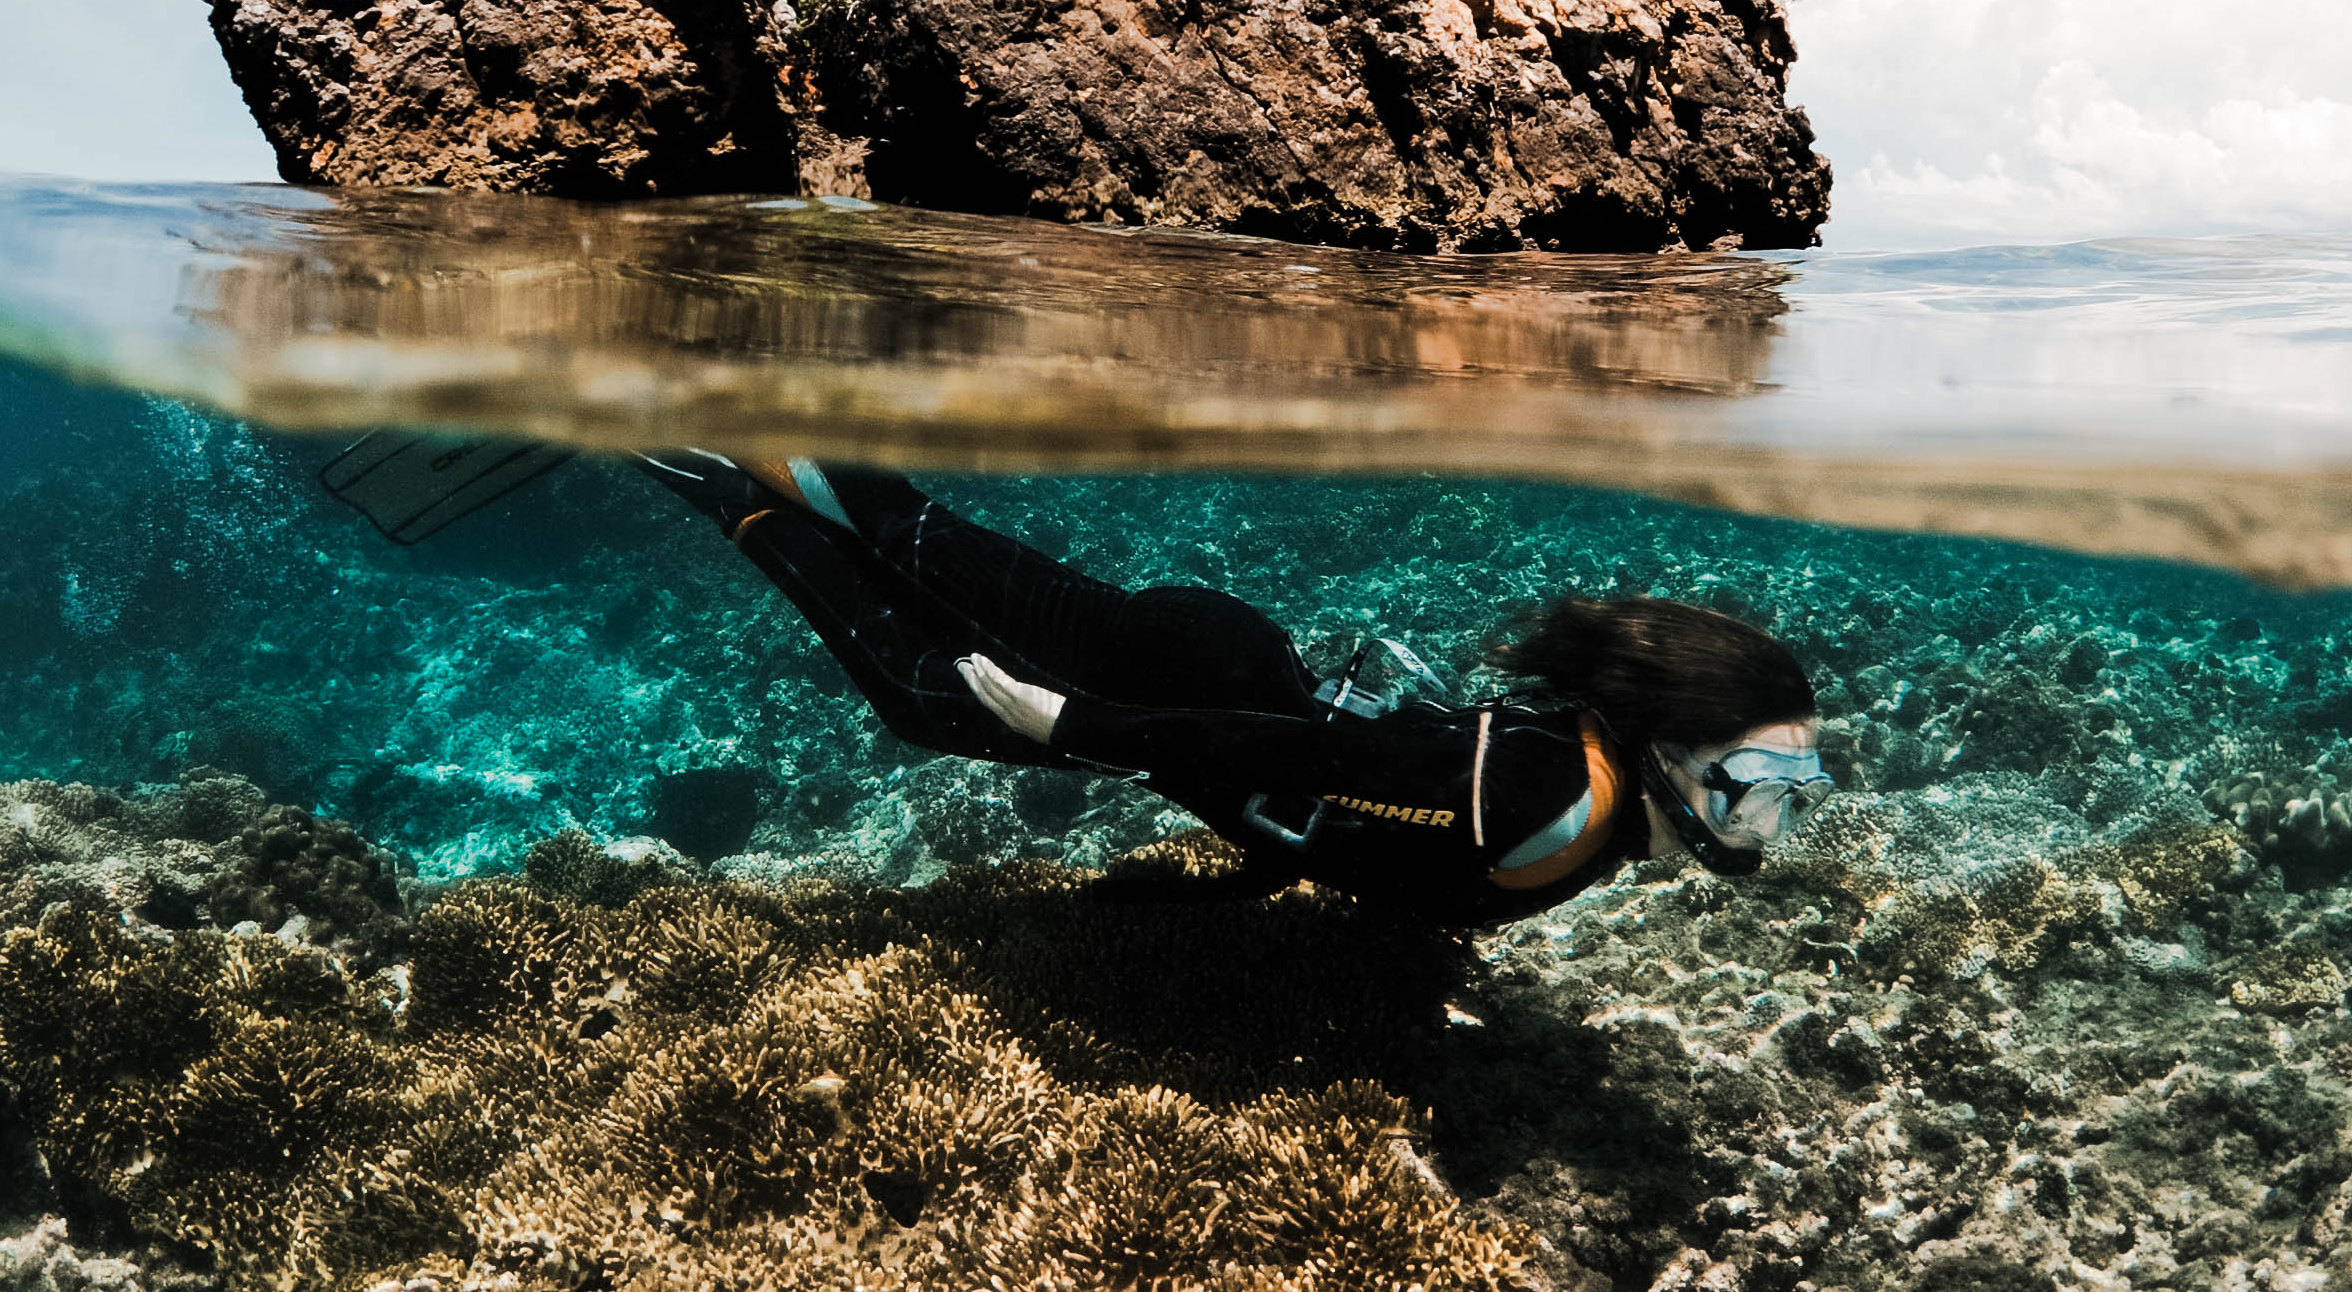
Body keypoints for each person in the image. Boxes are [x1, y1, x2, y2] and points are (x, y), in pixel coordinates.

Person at [638, 454, 1827, 924]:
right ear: (1672, 743)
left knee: (921, 549)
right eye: (1754, 783)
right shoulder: (1552, 798)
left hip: (1219, 656)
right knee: (917, 671)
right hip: (1185, 680)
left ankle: (726, 442)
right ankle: (707, 457)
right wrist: (1085, 728)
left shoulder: (1596, 797)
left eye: (1789, 790)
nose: (1766, 821)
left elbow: (1367, 823)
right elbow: (1318, 768)